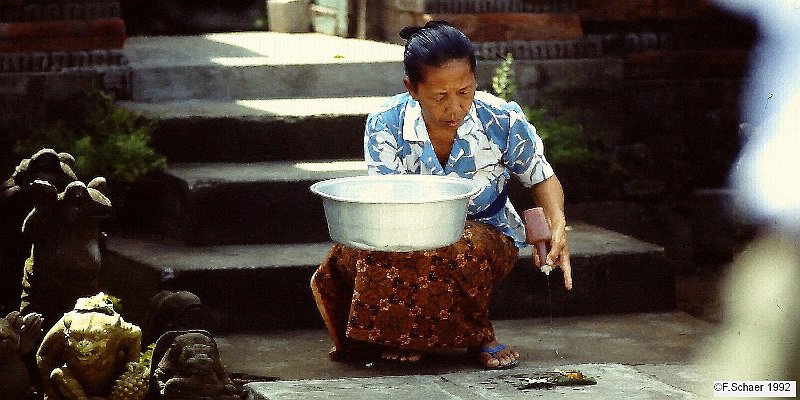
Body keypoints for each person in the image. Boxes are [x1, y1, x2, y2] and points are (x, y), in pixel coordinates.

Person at [310, 20, 572, 370]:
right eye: (440, 96)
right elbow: (386, 198)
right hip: (404, 226)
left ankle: (477, 335)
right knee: (363, 251)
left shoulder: (502, 120)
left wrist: (557, 226)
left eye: (465, 92)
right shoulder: (386, 123)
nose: (455, 108)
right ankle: (400, 335)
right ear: (412, 88)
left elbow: (542, 177)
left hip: (486, 232)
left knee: (458, 247)